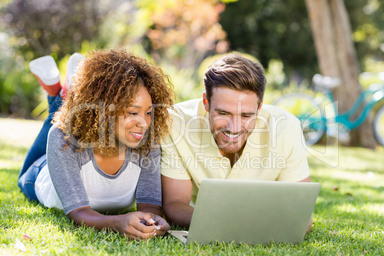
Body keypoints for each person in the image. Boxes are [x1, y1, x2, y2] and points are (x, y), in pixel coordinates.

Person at [18, 49, 175, 240]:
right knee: (58, 123)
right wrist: (117, 222)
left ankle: (67, 89)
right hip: (40, 174)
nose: (144, 123)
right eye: (133, 113)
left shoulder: (148, 143)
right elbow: (78, 212)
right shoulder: (64, 139)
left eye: (148, 113)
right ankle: (57, 94)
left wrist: (153, 221)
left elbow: (149, 204)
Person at [160, 53, 312, 232]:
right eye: (223, 113)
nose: (234, 128)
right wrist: (233, 223)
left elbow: (301, 216)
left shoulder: (286, 127)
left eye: (247, 115)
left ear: (259, 106)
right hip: (203, 217)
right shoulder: (176, 123)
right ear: (206, 102)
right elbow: (175, 204)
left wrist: (234, 223)